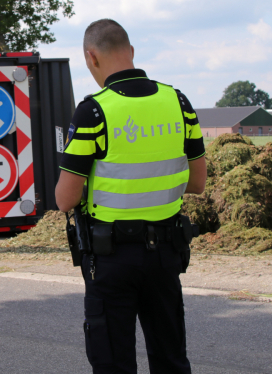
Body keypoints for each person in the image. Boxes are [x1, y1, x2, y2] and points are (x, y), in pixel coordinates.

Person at [55, 19, 207, 374]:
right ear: (132, 52)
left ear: (91, 57)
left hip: (112, 259)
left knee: (113, 364)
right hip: (167, 254)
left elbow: (64, 200)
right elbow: (198, 183)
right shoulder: (178, 102)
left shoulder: (93, 111)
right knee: (171, 360)